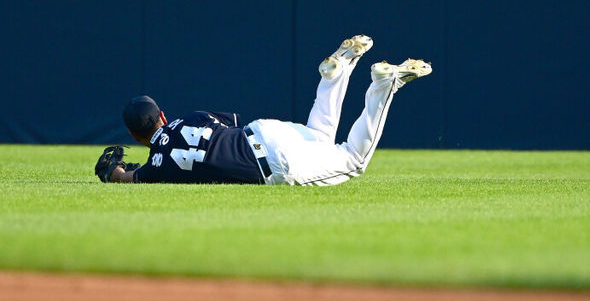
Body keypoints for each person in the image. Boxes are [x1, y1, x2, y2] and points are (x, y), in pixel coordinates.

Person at [101, 35, 431, 186]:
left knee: (352, 159)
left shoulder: (157, 168)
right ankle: (342, 71)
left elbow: (127, 176)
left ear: (133, 134)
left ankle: (384, 84)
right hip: (262, 132)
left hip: (271, 163)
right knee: (321, 137)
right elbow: (232, 123)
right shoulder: (190, 117)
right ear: (161, 115)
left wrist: (113, 171)